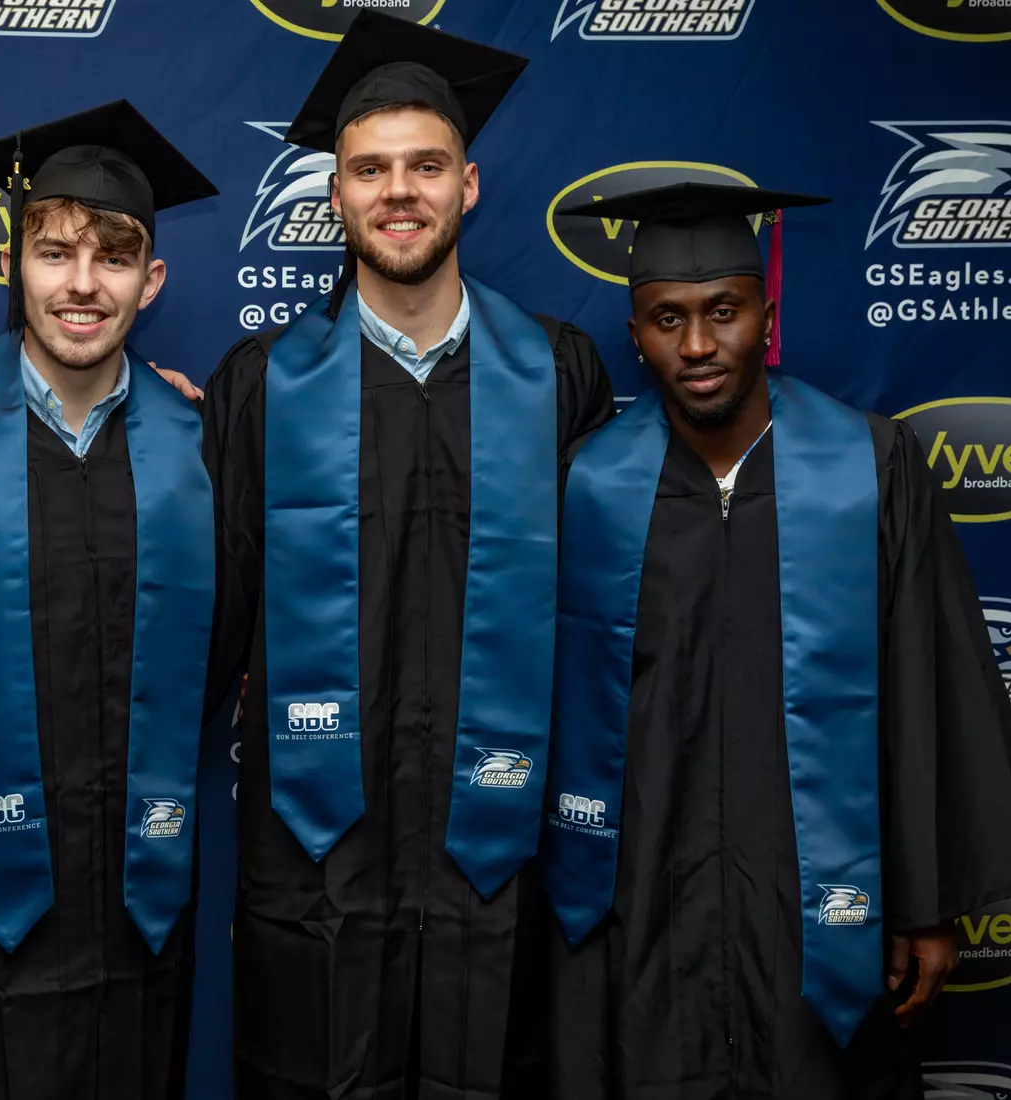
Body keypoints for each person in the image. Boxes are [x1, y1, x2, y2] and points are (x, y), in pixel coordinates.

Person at [543, 181, 1011, 1099]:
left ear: (766, 317)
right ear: (635, 335)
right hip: (639, 910)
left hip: (822, 905)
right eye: (667, 318)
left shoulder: (869, 467)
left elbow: (924, 689)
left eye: (724, 313)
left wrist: (925, 901)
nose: (698, 345)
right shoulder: (586, 483)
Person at [200, 12, 616, 1097]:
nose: (398, 192)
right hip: (319, 847)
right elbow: (212, 611)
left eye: (425, 166)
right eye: (369, 169)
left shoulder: (558, 374)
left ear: (467, 186)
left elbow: (608, 616)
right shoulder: (262, 384)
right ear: (333, 195)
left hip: (501, 834)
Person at [0, 100, 222, 1100]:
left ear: (150, 280)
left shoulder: (202, 449)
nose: (80, 283)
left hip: (131, 900)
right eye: (54, 249)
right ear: (12, 265)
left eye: (113, 257)